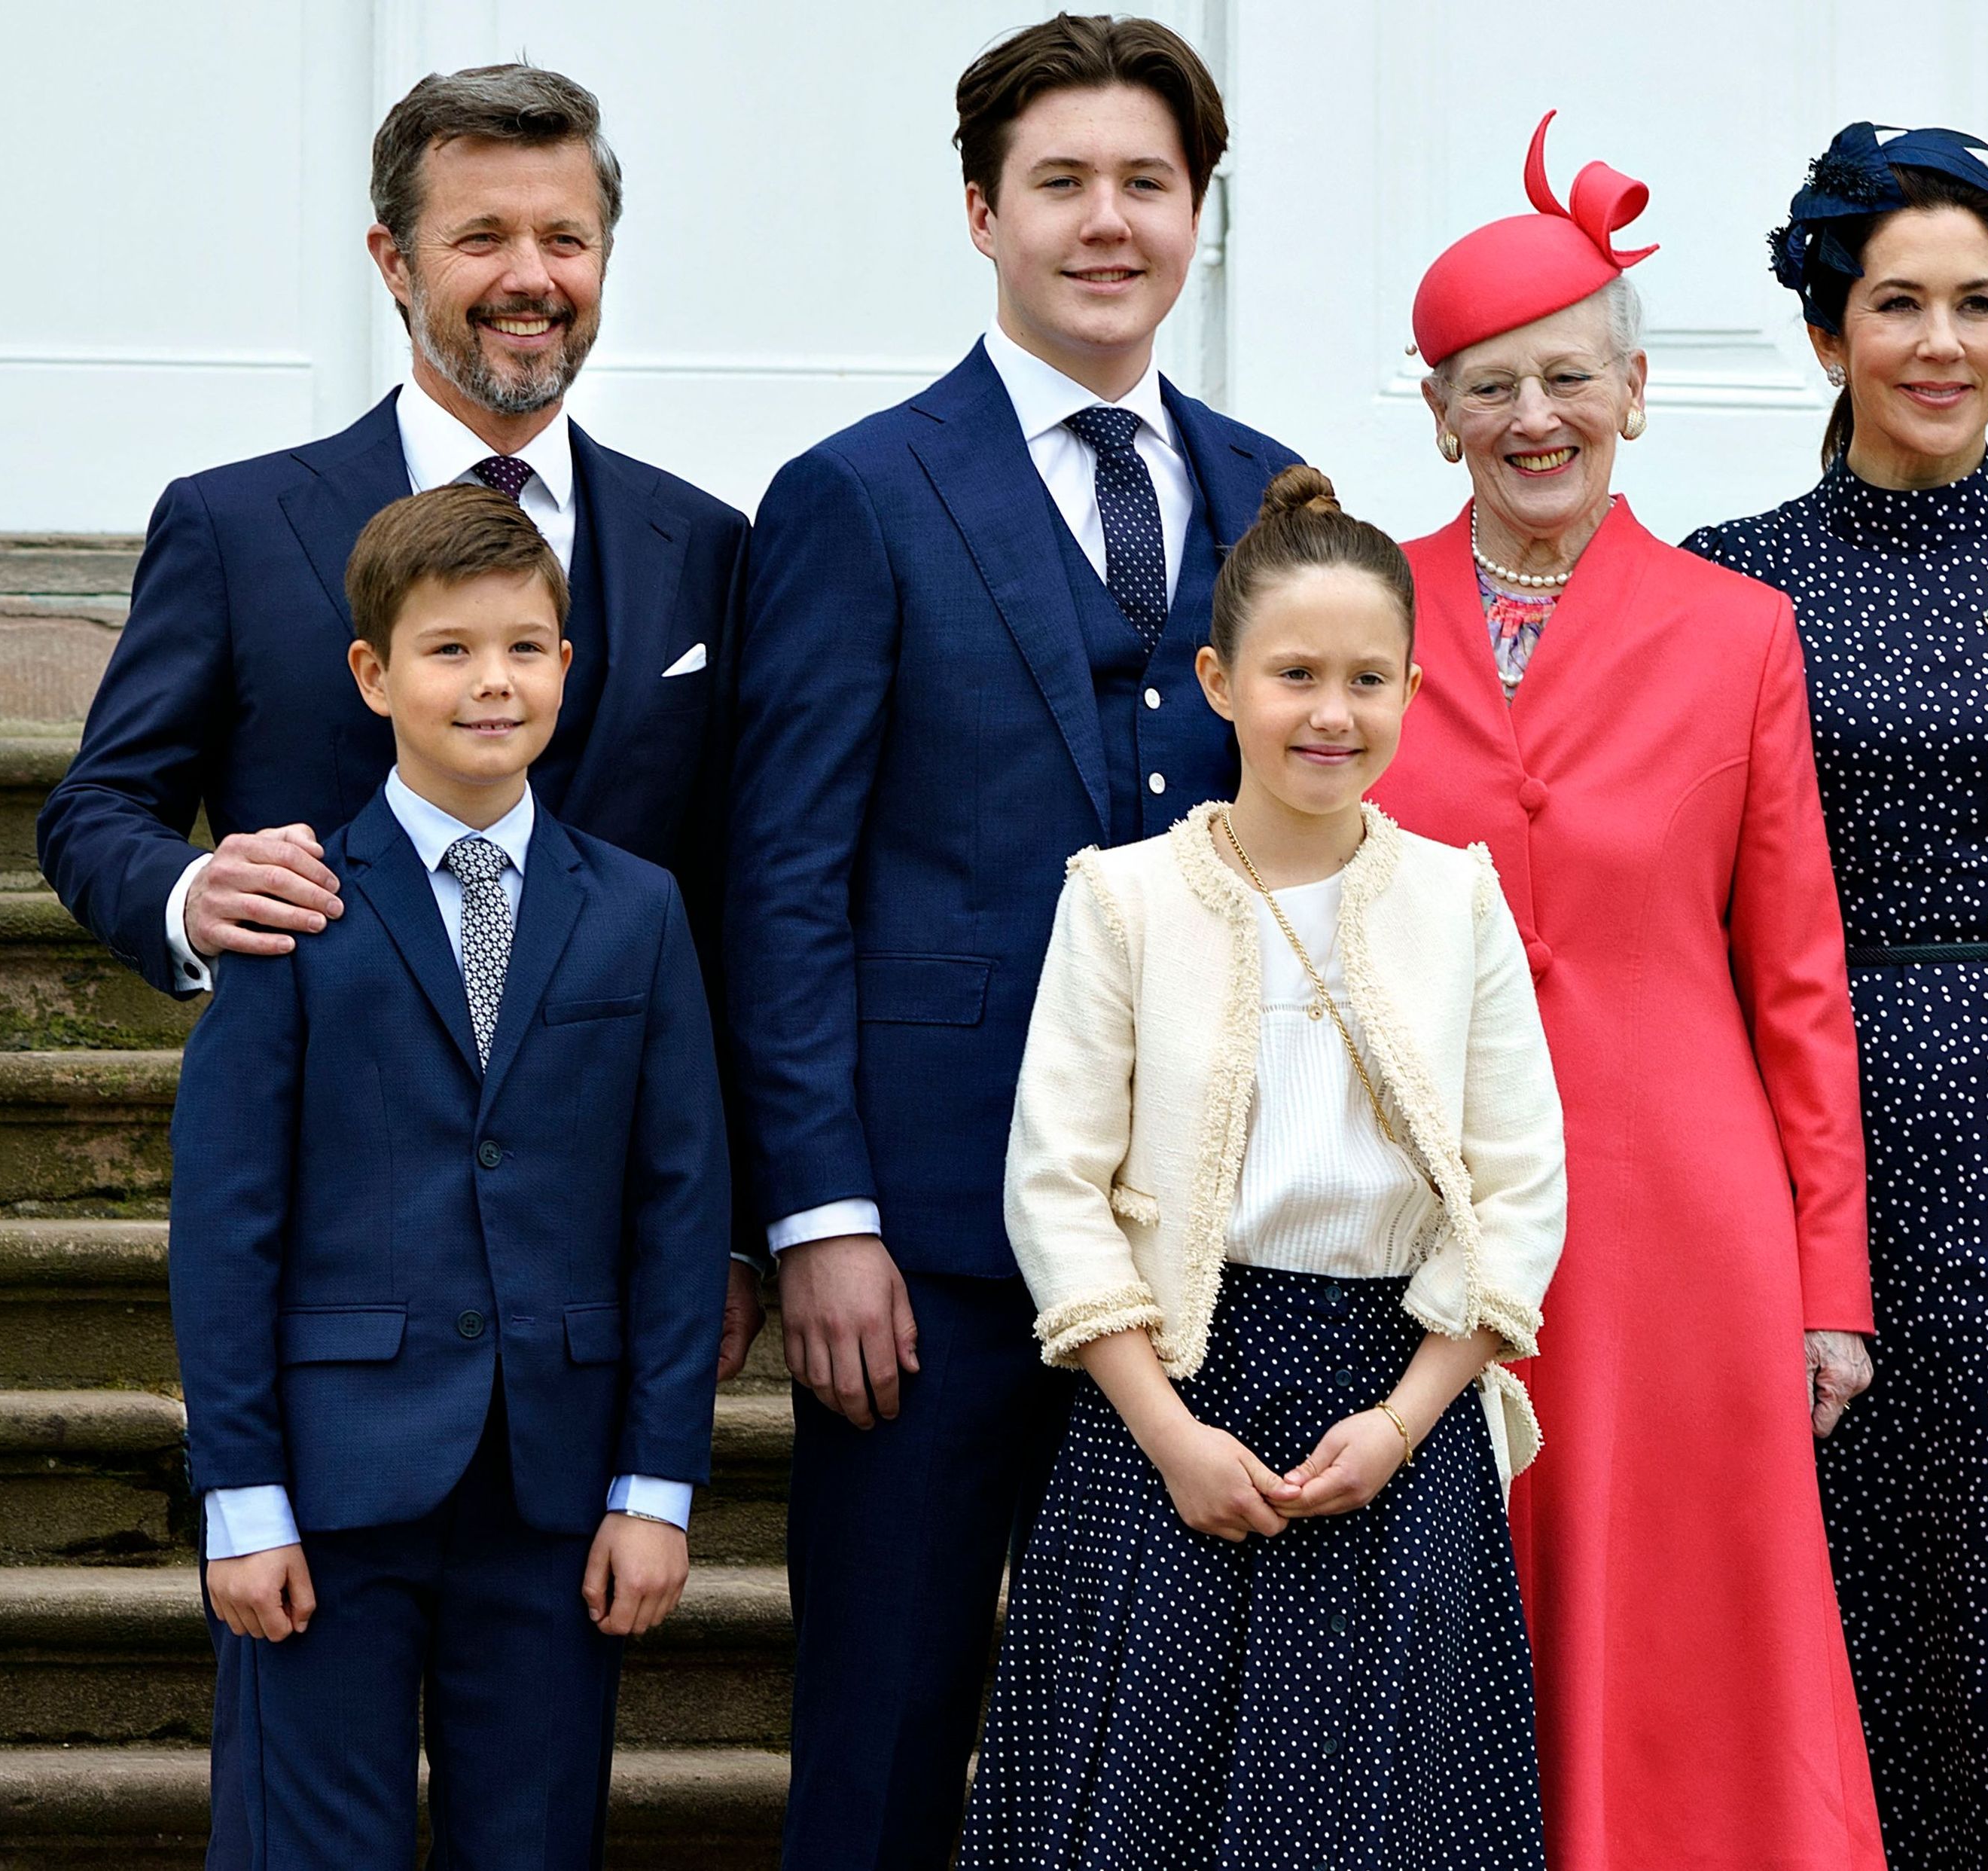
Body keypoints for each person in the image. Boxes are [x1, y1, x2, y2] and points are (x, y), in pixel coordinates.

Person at [718, 16, 1303, 1864]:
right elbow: (782, 878)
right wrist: (818, 1219)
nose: (1105, 222)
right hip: (935, 1249)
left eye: (1146, 182)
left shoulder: (1276, 493)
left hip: (1213, 1242)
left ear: (1197, 213)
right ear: (982, 212)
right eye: (1061, 183)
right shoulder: (855, 492)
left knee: (1173, 1756)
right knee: (885, 1727)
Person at [35, 63, 764, 1379]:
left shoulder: (706, 545)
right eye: (480, 237)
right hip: (348, 1233)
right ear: (392, 260)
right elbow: (95, 811)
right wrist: (191, 891)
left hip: (616, 1228)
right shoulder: (236, 527)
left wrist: (737, 1230)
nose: (528, 275)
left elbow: (740, 893)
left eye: (565, 238)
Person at [1368, 112, 1885, 1871]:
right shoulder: (1366, 615)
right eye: (1489, 385)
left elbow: (1798, 978)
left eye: (1570, 378)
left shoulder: (1736, 627)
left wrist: (1830, 1283)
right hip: (1415, 1197)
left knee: (1676, 1608)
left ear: (1637, 394)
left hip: (1677, 1208)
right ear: (1435, 412)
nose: (1534, 419)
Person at [1683, 124, 1988, 1871]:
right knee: (1817, 1570)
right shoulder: (1725, 571)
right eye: (1894, 303)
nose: (1939, 342)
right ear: (1825, 337)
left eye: (1977, 302)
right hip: (1785, 1128)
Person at [961, 465, 1563, 1869]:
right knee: (1132, 1808)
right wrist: (1170, 1435)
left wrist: (1407, 1421)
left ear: (1417, 690)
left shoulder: (1456, 897)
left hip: (1392, 1410)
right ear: (1220, 682)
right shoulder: (1123, 898)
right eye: (1297, 674)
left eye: (1370, 678)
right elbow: (1057, 1183)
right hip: (1170, 1401)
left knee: (1369, 1813)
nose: (1333, 713)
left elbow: (1519, 1186)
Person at [167, 485, 729, 1869]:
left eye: (527, 647)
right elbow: (226, 1222)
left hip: (554, 1481)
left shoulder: (638, 909)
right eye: (450, 649)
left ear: (568, 665)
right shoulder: (294, 900)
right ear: (373, 674)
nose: (494, 681)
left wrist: (655, 1489)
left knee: (531, 1839)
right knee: (312, 1846)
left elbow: (679, 1209)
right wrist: (240, 1499)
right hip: (330, 1482)